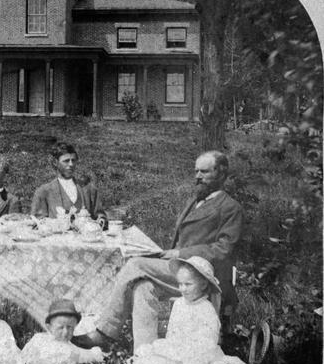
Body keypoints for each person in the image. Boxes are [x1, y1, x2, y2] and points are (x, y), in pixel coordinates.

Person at [73, 150, 243, 351]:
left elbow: (224, 249)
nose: (197, 176)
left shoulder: (230, 207)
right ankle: (145, 355)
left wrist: (181, 254)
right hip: (180, 271)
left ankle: (104, 332)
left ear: (221, 175)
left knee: (135, 264)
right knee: (143, 287)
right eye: (196, 171)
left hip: (203, 276)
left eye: (204, 172)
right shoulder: (195, 200)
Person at [123, 256, 249, 364]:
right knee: (146, 363)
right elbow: (172, 335)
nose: (182, 289)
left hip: (199, 359)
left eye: (188, 284)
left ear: (203, 284)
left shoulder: (207, 312)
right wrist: (168, 352)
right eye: (180, 284)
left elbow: (207, 349)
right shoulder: (178, 304)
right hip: (178, 352)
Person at [30, 142, 107, 227]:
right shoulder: (44, 192)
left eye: (73, 160)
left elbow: (101, 217)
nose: (71, 164)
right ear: (55, 162)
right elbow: (36, 223)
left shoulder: (89, 189)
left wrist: (98, 223)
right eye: (66, 161)